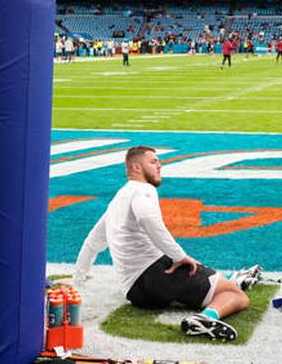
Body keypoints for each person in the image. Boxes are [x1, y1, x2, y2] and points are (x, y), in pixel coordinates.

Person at [73, 146, 260, 341]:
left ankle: (229, 278)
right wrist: (178, 255)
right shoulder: (143, 190)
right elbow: (147, 218)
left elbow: (91, 243)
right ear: (137, 168)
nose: (159, 165)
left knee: (196, 271)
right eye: (153, 162)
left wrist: (78, 279)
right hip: (157, 276)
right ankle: (205, 318)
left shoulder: (118, 199)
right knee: (237, 296)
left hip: (134, 292)